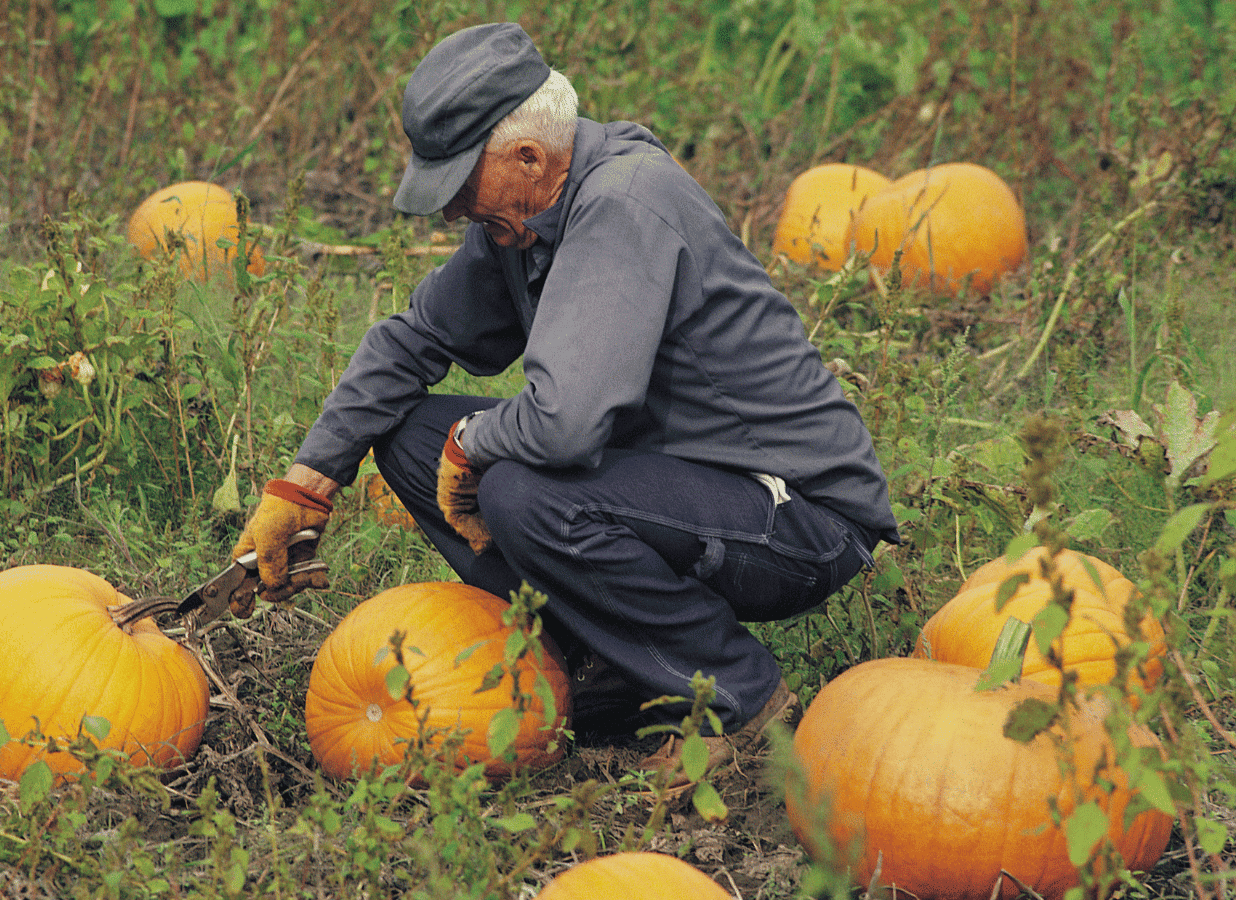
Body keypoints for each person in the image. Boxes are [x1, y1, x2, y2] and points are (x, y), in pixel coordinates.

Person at [232, 22, 899, 769]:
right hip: (685, 487)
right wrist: (308, 482)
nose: (452, 212)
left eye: (459, 185)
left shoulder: (622, 204)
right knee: (411, 435)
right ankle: (602, 657)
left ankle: (742, 701)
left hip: (797, 518)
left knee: (521, 490)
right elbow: (412, 339)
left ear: (527, 155)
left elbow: (566, 426)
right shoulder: (523, 219)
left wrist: (473, 442)